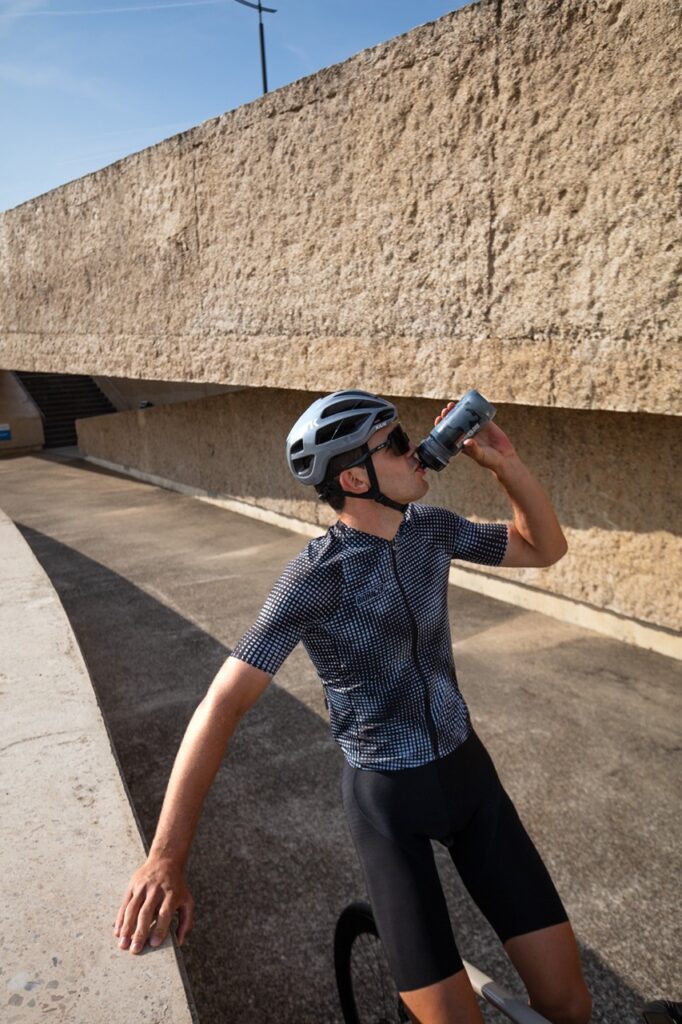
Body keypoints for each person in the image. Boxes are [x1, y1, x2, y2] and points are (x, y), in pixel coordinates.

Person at [114, 389, 592, 1024]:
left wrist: (507, 465)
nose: (418, 448)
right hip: (388, 803)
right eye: (395, 443)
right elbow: (221, 704)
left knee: (569, 1006)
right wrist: (167, 855)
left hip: (470, 778)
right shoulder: (316, 577)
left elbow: (544, 549)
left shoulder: (431, 530)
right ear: (354, 477)